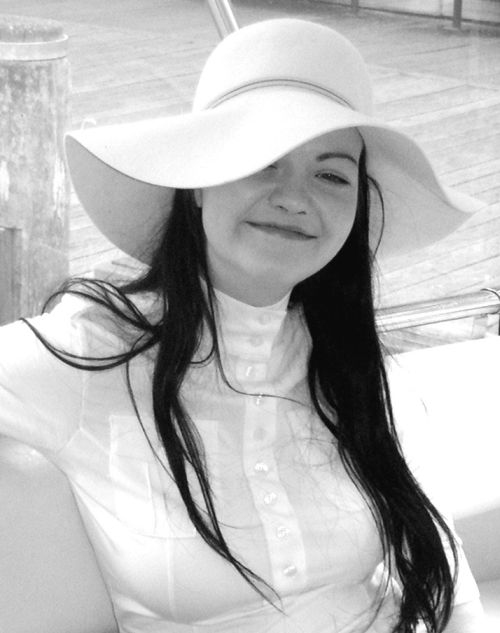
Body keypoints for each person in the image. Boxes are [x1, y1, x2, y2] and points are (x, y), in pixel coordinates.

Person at [0, 18, 488, 633]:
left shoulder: (353, 366)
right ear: (198, 185)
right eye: (262, 161)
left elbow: (443, 571)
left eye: (331, 175)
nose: (295, 198)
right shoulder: (90, 353)